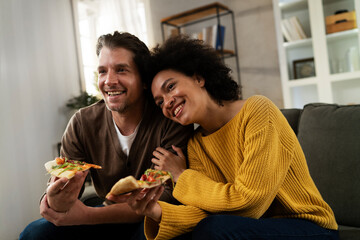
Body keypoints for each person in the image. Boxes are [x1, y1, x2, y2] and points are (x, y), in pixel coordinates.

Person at [108, 35, 339, 240]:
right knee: (147, 232)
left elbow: (250, 204)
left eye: (170, 87)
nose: (167, 103)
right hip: (253, 227)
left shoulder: (258, 111)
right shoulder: (197, 144)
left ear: (198, 78)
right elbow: (205, 210)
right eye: (160, 102)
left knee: (215, 230)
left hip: (309, 225)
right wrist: (154, 211)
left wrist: (182, 176)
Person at [19, 32, 194, 240]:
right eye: (102, 72)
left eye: (121, 70)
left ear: (144, 80)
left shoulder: (170, 117)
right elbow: (61, 197)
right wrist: (57, 200)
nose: (109, 81)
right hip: (103, 213)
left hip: (148, 220)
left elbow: (165, 199)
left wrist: (88, 215)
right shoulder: (82, 122)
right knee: (34, 233)